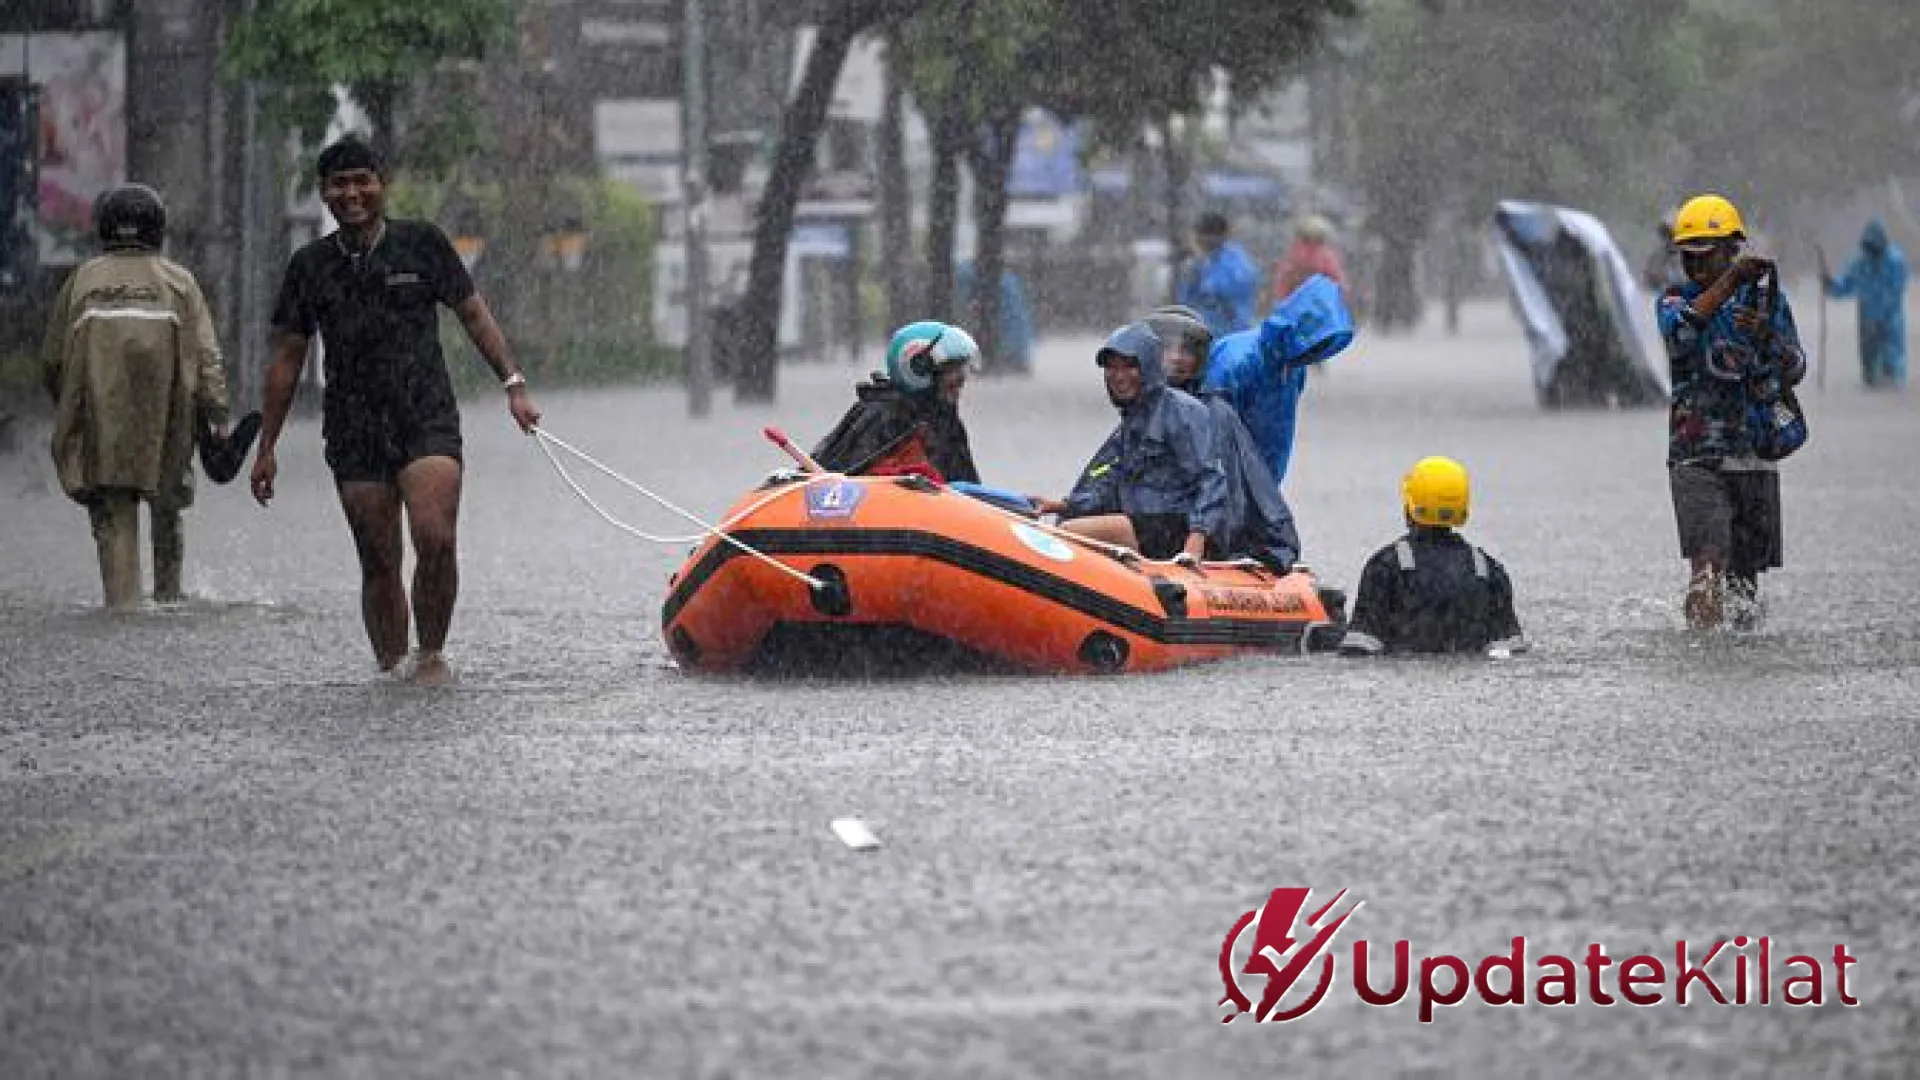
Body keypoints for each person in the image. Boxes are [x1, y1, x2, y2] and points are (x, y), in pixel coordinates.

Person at [250, 135, 542, 685]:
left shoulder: (423, 245)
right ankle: (389, 668)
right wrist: (266, 447)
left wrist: (514, 384)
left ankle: (430, 655)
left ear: (382, 185)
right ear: (325, 194)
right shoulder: (310, 267)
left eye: (363, 180)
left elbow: (474, 316)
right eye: (340, 184)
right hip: (354, 425)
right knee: (379, 557)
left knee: (435, 537)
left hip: (424, 416)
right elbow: (287, 361)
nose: (353, 192)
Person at [42, 183, 230, 610]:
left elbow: (53, 360)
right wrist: (218, 414)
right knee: (167, 506)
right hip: (169, 420)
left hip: (103, 421)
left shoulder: (82, 280)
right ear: (158, 229)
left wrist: (73, 410)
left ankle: (122, 604)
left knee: (113, 511)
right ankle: (168, 596)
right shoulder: (180, 282)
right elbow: (206, 357)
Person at [1656, 193, 1807, 631]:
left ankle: (1739, 652)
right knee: (1707, 566)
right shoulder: (1673, 300)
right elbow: (1679, 335)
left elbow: (1796, 368)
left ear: (1732, 251)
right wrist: (1725, 286)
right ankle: (1704, 651)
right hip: (1695, 458)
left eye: (1709, 259)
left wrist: (1769, 338)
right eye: (1690, 259)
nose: (1698, 269)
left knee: (1745, 584)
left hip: (1755, 454)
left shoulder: (1768, 304)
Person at [1031, 322, 1228, 562]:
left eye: (1128, 367)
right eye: (1112, 368)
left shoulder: (1184, 411)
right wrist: (1061, 506)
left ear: (1148, 368)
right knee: (1060, 528)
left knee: (1068, 536)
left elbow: (1211, 479)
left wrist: (1195, 541)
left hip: (1173, 527)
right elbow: (1109, 486)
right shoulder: (1130, 424)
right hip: (1142, 523)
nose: (1119, 376)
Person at [1145, 304, 1301, 571]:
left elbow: (1218, 486)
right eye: (1167, 349)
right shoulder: (1143, 408)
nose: (1175, 359)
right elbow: (1112, 471)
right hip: (1156, 525)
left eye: (1185, 351)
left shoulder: (1212, 414)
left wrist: (1198, 536)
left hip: (1193, 536)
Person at [1338, 456, 1527, 658]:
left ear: (1410, 507)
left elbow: (1358, 650)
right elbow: (1511, 651)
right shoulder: (1488, 571)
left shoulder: (1386, 566)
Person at [1201, 274, 1356, 488]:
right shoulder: (1237, 361)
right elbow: (1209, 432)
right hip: (1227, 485)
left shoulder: (1292, 366)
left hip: (1261, 482)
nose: (1316, 352)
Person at [811, 320, 981, 483]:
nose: (962, 378)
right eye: (952, 368)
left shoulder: (945, 418)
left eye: (962, 368)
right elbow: (853, 488)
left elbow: (968, 490)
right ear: (918, 368)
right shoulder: (885, 417)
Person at [1822, 219, 1908, 390]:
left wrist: (1881, 317)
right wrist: (1830, 284)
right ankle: (1872, 388)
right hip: (1866, 318)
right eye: (1868, 247)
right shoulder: (1859, 262)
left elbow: (1895, 290)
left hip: (1890, 320)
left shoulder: (1895, 261)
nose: (1871, 252)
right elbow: (1846, 285)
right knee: (1869, 368)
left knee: (1891, 367)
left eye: (1874, 247)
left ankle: (1891, 394)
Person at [1174, 212, 1260, 339]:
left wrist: (1205, 279)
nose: (1198, 240)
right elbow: (1186, 299)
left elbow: (1240, 286)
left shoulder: (1234, 258)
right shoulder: (1198, 261)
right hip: (1202, 333)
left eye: (1202, 234)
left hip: (1231, 332)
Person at [1271, 214, 1349, 308]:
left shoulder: (1294, 256)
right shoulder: (1326, 257)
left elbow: (1283, 281)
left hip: (1304, 305)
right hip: (1312, 306)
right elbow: (1339, 284)